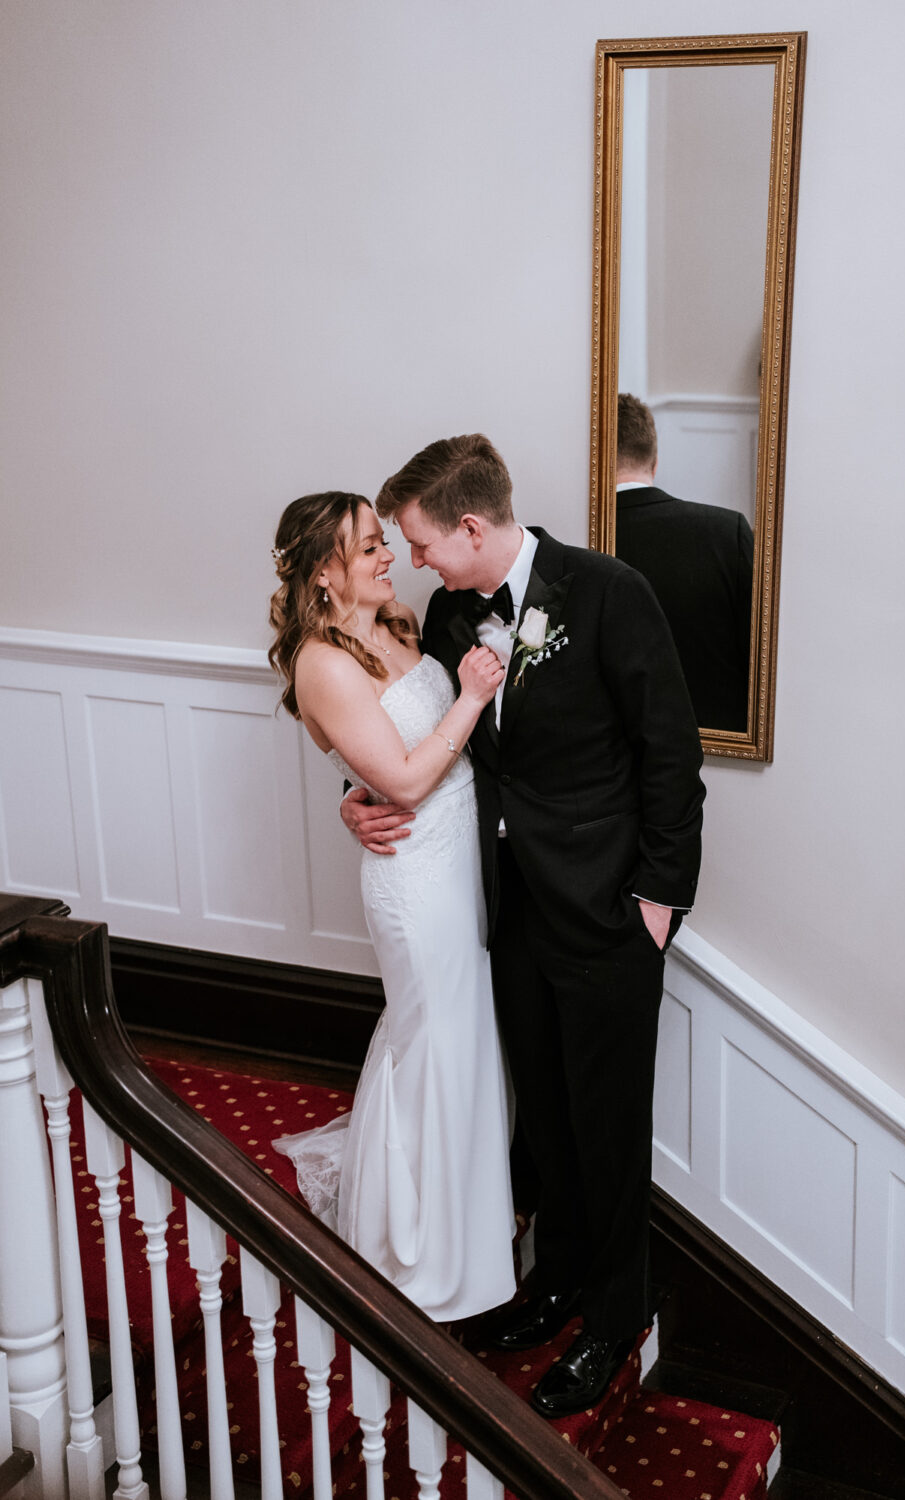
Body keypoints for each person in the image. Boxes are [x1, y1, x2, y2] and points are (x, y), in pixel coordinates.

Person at [342, 435, 705, 1417]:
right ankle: (553, 1283)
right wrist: (357, 795)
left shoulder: (608, 592)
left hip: (607, 916)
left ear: (470, 527)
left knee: (607, 1128)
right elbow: (422, 735)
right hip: (501, 909)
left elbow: (670, 755)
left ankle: (614, 1317)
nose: (414, 563)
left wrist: (659, 902)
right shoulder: (452, 610)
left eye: (422, 543)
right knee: (542, 1116)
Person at [267, 490, 516, 1322]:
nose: (386, 558)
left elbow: (378, 763)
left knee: (462, 1035)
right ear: (324, 573)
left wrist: (352, 791)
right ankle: (417, 1249)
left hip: (460, 860)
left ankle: (469, 1231)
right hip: (413, 877)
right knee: (433, 1040)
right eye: (369, 547)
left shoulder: (403, 624)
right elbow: (403, 778)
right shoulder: (321, 663)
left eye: (381, 542)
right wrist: (472, 697)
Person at [615, 392, 754, 733]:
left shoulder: (575, 542)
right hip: (721, 735)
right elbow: (758, 654)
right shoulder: (727, 532)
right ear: (655, 461)